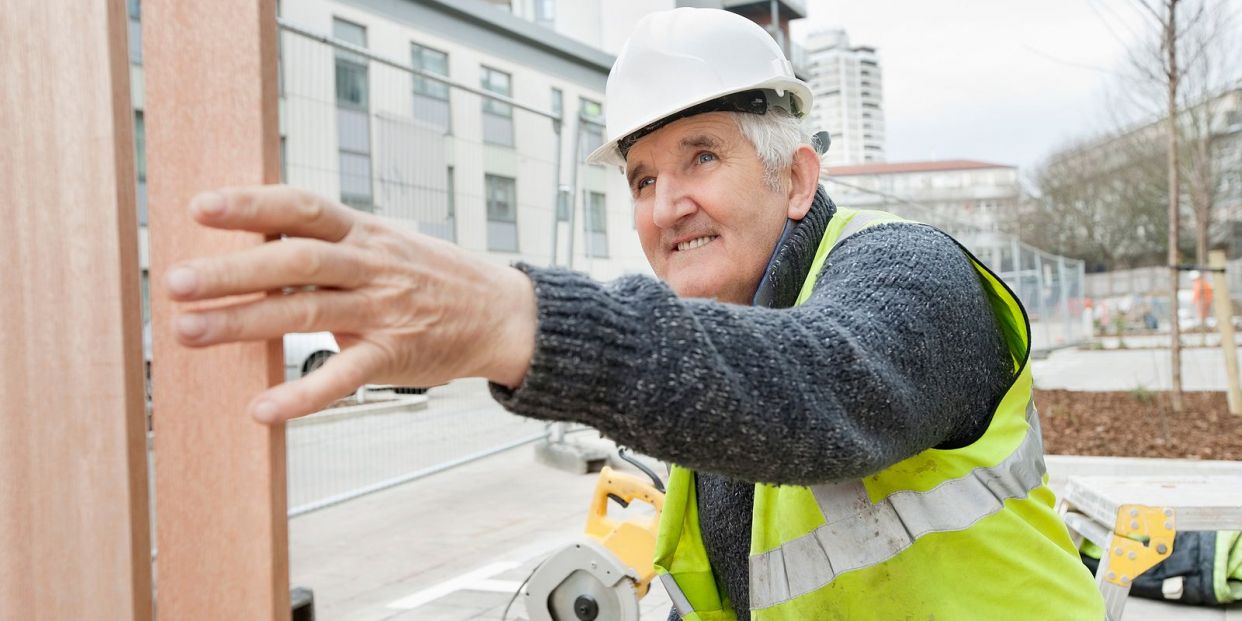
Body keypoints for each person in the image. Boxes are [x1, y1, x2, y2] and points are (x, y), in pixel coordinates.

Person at [165, 8, 1104, 620]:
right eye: (644, 177)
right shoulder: (725, 336)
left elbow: (818, 381)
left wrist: (508, 316)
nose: (664, 206)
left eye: (702, 157)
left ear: (796, 178)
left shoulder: (905, 273)